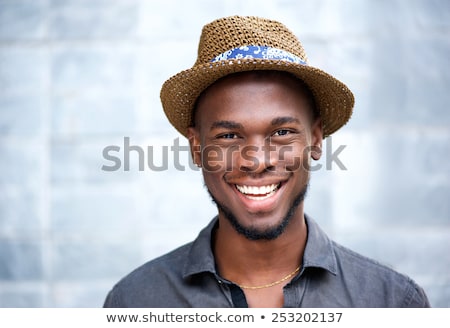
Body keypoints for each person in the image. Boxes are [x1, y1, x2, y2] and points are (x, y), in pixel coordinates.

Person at [103, 15, 430, 308]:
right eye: (229, 136)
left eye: (282, 131)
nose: (257, 161)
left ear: (315, 139)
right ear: (197, 147)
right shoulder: (136, 302)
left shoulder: (390, 302)